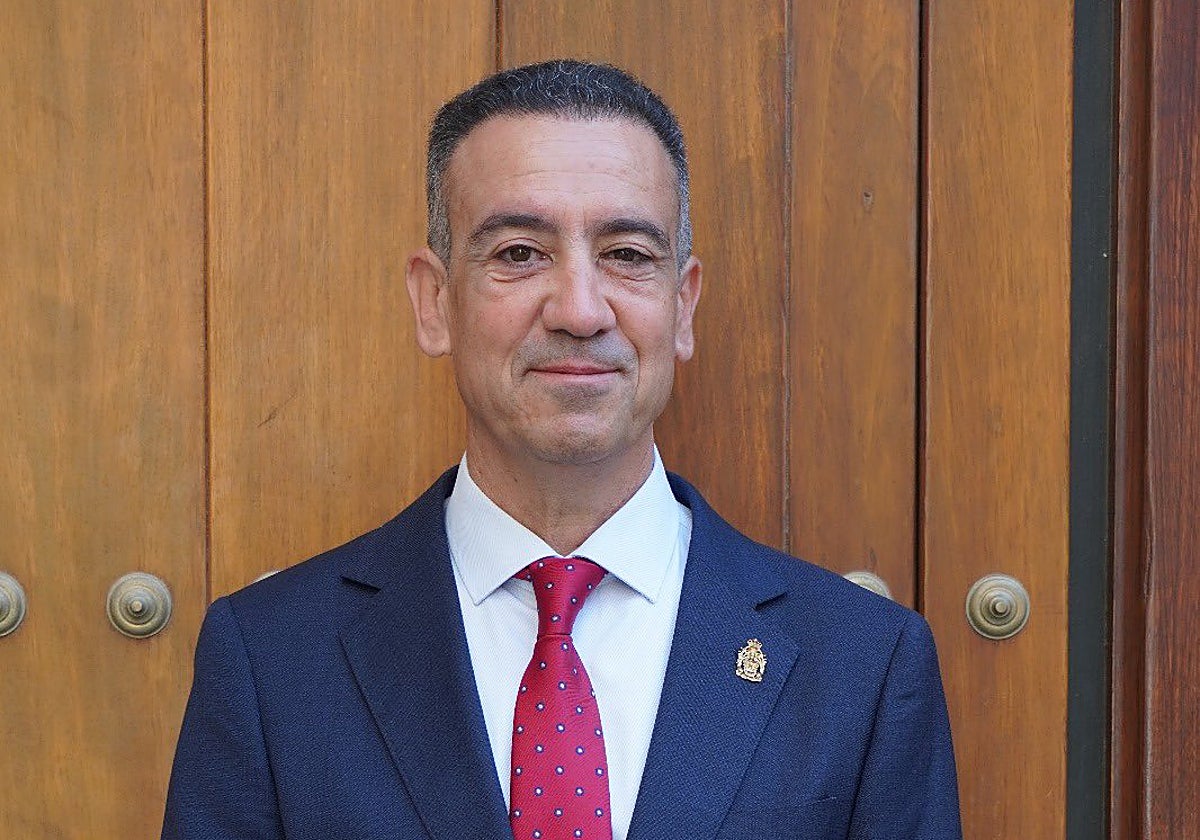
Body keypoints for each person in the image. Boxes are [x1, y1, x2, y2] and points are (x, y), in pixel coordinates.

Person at [162, 59, 961, 840]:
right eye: (519, 253)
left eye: (627, 255)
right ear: (435, 302)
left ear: (682, 307)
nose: (580, 310)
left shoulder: (864, 667)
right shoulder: (271, 662)